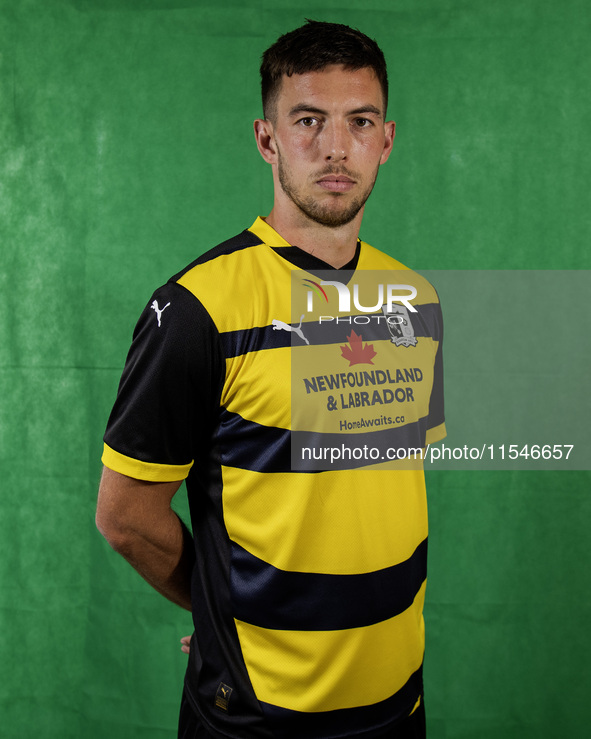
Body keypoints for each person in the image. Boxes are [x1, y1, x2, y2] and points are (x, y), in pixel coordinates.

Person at [96, 20, 445, 739]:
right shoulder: (196, 308)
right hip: (257, 719)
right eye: (307, 120)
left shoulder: (414, 298)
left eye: (360, 121)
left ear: (386, 140)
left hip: (396, 702)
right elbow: (126, 517)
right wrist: (217, 612)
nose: (334, 146)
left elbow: (370, 489)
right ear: (267, 139)